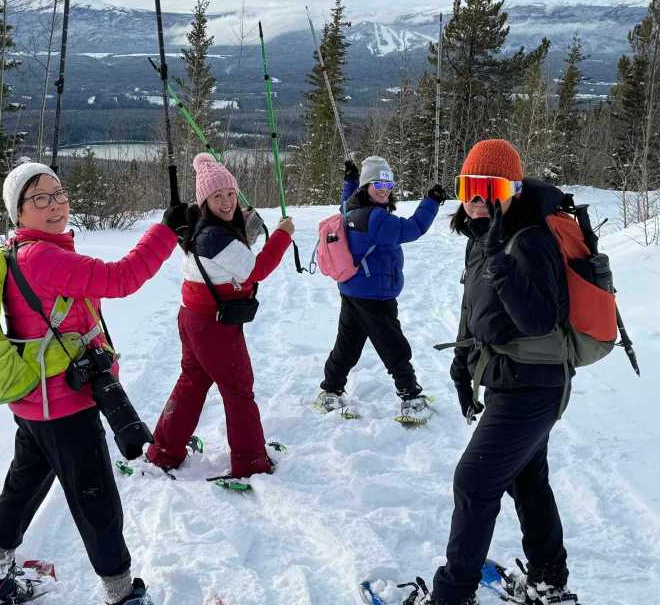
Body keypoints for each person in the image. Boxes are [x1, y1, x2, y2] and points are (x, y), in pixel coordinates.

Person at [0, 161, 188, 605]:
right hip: (65, 404)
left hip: (35, 402)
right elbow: (122, 278)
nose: (55, 205)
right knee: (97, 503)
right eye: (39, 198)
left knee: (23, 485)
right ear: (18, 212)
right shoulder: (44, 257)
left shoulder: (20, 251)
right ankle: (122, 594)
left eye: (59, 194)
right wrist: (166, 231)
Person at [411, 139, 578, 605]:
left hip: (534, 385)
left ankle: (451, 596)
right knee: (527, 479)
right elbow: (476, 313)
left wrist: (502, 262)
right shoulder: (481, 238)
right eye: (470, 187)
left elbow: (537, 319)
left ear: (514, 190)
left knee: (474, 482)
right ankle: (549, 582)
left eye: (492, 187)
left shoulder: (530, 241)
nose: (479, 199)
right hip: (510, 379)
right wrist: (462, 370)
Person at [146, 153, 294, 479]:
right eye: (218, 196)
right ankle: (251, 461)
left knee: (192, 382)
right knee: (238, 389)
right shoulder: (214, 236)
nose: (227, 202)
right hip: (213, 326)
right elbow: (256, 270)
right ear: (204, 200)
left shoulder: (202, 227)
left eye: (230, 193)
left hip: (194, 319)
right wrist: (283, 235)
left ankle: (165, 451)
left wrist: (244, 224)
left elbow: (231, 260)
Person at [316, 156, 444, 423]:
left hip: (353, 290)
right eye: (377, 183)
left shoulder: (351, 211)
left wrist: (349, 179)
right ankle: (411, 397)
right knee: (393, 345)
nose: (384, 188)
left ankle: (330, 389)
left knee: (348, 344)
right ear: (367, 187)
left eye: (388, 183)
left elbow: (345, 200)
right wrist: (431, 201)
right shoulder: (377, 219)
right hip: (375, 294)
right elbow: (414, 228)